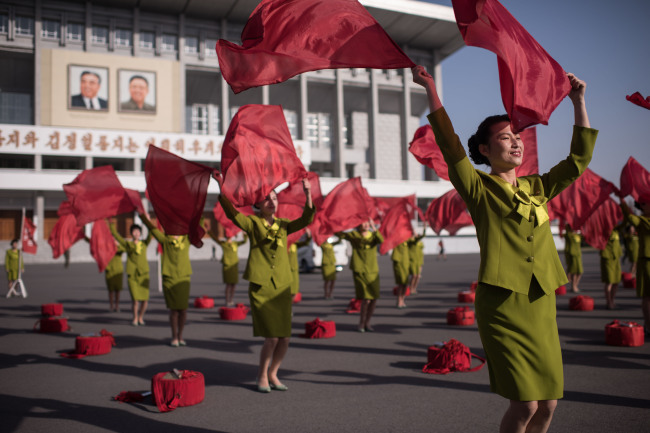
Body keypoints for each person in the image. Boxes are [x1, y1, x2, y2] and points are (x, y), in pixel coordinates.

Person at [412, 64, 596, 433]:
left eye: (517, 137)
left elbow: (578, 161)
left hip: (540, 301)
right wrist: (430, 88)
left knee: (549, 404)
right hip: (502, 305)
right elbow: (449, 146)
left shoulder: (538, 187)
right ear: (484, 148)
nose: (515, 142)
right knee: (525, 403)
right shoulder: (478, 187)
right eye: (505, 137)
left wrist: (578, 101)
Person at [216, 174, 315, 393]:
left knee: (285, 337)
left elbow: (307, 218)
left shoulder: (283, 225)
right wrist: (221, 186)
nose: (272, 202)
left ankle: (274, 373)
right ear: (258, 205)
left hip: (281, 287)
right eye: (267, 199)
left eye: (275, 198)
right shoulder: (252, 223)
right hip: (261, 286)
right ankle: (262, 374)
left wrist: (308, 193)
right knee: (271, 337)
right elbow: (232, 213)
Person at [140, 213, 191, 347]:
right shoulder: (164, 240)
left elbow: (198, 226)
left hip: (183, 278)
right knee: (173, 310)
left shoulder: (187, 239)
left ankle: (181, 336)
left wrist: (199, 209)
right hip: (169, 278)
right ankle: (174, 336)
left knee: (183, 310)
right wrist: (143, 217)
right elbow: (152, 229)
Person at [337, 220, 384, 332]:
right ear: (358, 224)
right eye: (364, 222)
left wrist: (374, 227)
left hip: (372, 270)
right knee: (366, 298)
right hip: (359, 269)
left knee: (374, 298)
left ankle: (368, 322)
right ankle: (361, 323)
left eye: (368, 222)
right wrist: (340, 224)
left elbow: (381, 240)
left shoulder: (373, 235)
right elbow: (339, 234)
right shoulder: (354, 235)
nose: (366, 224)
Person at [110, 221, 153, 325]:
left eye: (138, 231)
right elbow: (117, 236)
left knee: (145, 300)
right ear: (131, 233)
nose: (136, 233)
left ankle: (141, 317)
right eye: (134, 231)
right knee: (135, 299)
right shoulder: (128, 244)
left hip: (144, 274)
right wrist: (111, 224)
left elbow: (151, 234)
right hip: (132, 274)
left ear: (140, 233)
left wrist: (148, 221)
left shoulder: (144, 243)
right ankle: (135, 317)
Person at [621, 197, 650, 335]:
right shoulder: (641, 220)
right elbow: (629, 217)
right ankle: (648, 323)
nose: (647, 205)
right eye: (644, 203)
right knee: (647, 295)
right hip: (646, 260)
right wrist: (622, 201)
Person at [205, 226, 248, 306]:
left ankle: (231, 299)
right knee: (228, 285)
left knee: (233, 285)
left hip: (234, 267)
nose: (229, 237)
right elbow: (215, 239)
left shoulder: (235, 243)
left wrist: (244, 233)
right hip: (227, 266)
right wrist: (209, 231)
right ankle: (227, 300)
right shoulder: (223, 244)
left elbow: (244, 242)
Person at [600, 227, 622, 309]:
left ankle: (612, 300)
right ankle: (608, 302)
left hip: (615, 258)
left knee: (616, 282)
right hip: (607, 258)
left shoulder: (616, 230)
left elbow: (624, 223)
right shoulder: (603, 230)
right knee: (609, 281)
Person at [288, 231, 312, 303]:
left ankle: (290, 308)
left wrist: (308, 236)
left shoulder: (295, 244)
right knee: (286, 291)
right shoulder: (284, 245)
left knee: (294, 290)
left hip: (294, 269)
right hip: (286, 270)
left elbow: (305, 243)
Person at [104, 241, 125, 313]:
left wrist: (118, 244)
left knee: (118, 290)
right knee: (111, 290)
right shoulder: (107, 247)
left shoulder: (118, 247)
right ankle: (111, 306)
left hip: (118, 270)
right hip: (109, 270)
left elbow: (123, 250)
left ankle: (117, 305)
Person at [563, 224, 583, 293]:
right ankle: (574, 287)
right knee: (574, 272)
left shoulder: (577, 235)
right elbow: (566, 229)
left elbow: (585, 235)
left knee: (580, 272)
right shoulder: (569, 235)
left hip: (578, 255)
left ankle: (575, 285)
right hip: (572, 255)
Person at [408, 223, 427, 294]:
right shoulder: (411, 241)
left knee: (418, 276)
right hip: (412, 260)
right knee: (414, 275)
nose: (415, 234)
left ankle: (414, 288)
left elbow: (422, 237)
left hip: (419, 260)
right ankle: (410, 288)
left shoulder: (420, 243)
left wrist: (424, 228)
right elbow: (418, 238)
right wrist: (413, 231)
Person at [391, 240, 410, 308]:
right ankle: (399, 300)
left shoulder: (407, 240)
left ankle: (402, 299)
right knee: (401, 283)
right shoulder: (397, 239)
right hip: (398, 263)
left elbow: (416, 239)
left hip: (405, 263)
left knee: (405, 283)